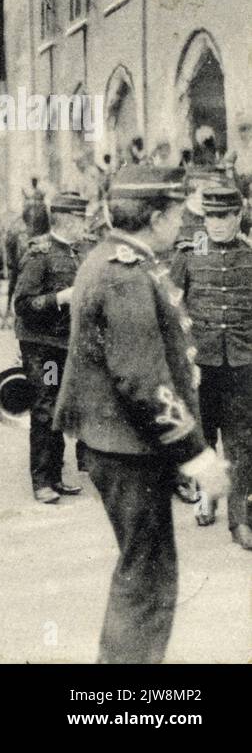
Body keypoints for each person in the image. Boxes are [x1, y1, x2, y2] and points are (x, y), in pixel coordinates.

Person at [53, 164, 229, 663]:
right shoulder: (124, 273)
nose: (182, 222)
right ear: (155, 216)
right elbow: (142, 380)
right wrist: (196, 454)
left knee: (144, 577)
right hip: (127, 449)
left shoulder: (117, 259)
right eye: (177, 212)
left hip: (122, 444)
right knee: (147, 585)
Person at [170, 185, 252, 549]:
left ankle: (240, 521)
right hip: (200, 365)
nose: (216, 224)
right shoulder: (190, 253)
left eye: (224, 216)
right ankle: (207, 495)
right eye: (210, 217)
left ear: (239, 216)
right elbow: (171, 308)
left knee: (241, 444)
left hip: (241, 364)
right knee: (203, 440)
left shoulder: (249, 255)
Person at [12, 191, 91, 504]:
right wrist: (60, 298)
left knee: (61, 406)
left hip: (67, 343)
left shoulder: (78, 251)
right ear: (66, 219)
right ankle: (42, 480)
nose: (83, 223)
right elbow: (22, 304)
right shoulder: (40, 254)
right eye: (79, 218)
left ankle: (56, 477)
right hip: (42, 346)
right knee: (45, 407)